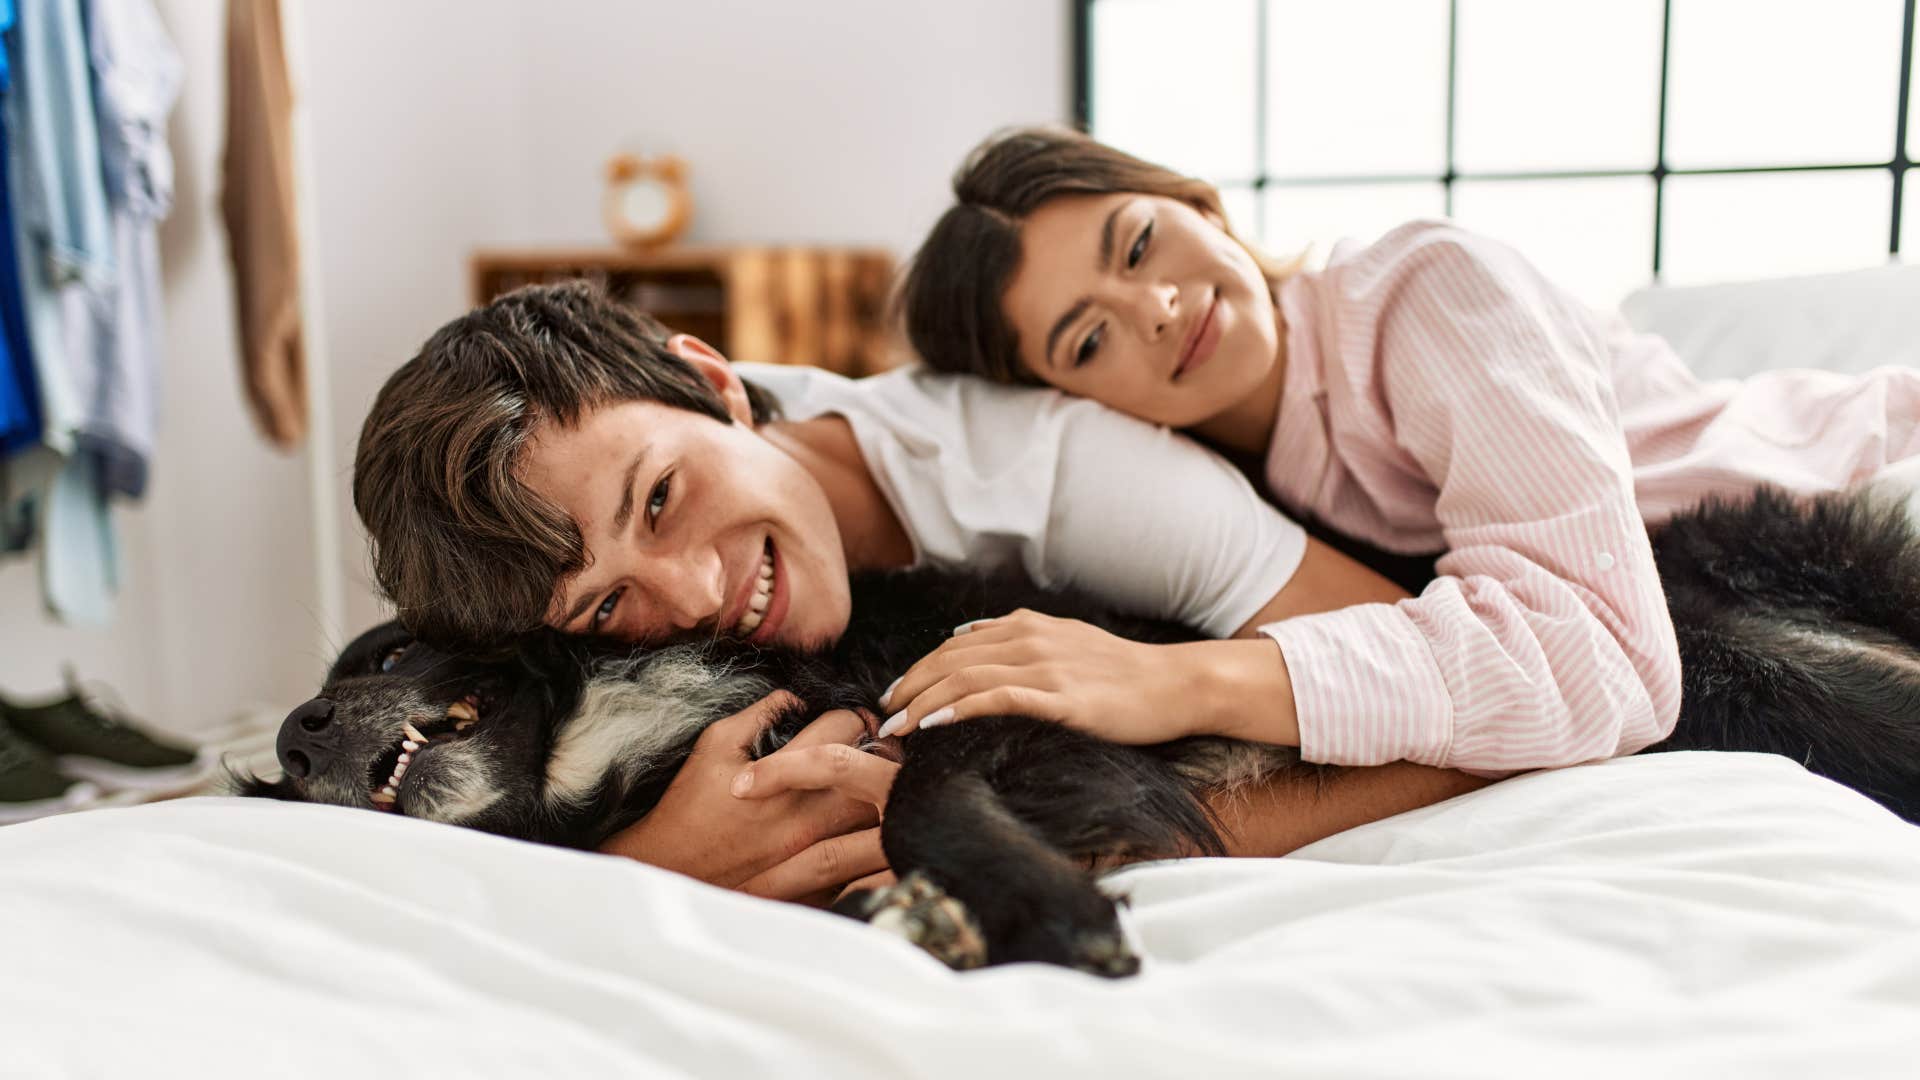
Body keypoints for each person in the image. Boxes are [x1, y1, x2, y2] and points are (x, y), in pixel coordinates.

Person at [350, 283, 1489, 905]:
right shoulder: (625, 580)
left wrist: (1082, 840)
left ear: (713, 385)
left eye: (661, 500)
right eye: (605, 605)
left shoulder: (1063, 474)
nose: (695, 593)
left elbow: (1467, 695)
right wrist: (643, 871)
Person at [892, 126, 1920, 772]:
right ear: (1072, 408)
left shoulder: (1427, 291)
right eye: (1088, 338)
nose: (1155, 305)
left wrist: (1183, 684)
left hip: (1859, 508)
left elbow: (1602, 652)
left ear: (1198, 203)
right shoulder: (1221, 503)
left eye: (1139, 240)